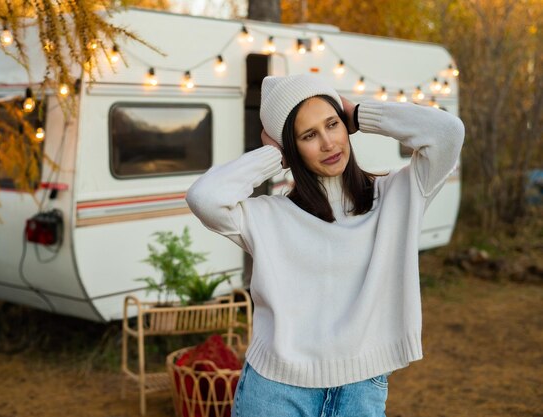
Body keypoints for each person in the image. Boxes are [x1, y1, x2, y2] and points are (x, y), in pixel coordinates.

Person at [186, 74, 465, 417]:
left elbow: (448, 133)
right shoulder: (268, 216)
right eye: (308, 135)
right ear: (293, 147)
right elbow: (204, 197)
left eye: (332, 124)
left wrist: (361, 115)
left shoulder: (398, 194)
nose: (329, 143)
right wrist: (273, 156)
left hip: (360, 390)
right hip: (277, 391)